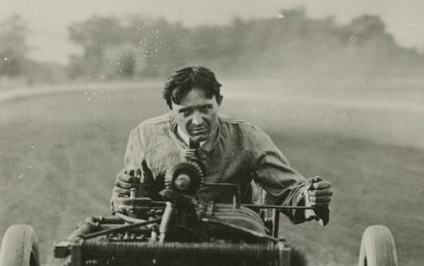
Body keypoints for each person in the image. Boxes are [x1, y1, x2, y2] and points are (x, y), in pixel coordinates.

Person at [111, 65, 333, 233]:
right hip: (165, 233)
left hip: (234, 239)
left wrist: (310, 196)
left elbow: (289, 190)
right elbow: (131, 201)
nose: (197, 121)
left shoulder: (247, 138)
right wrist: (126, 193)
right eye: (186, 112)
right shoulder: (145, 136)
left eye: (206, 109)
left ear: (219, 102)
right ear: (171, 109)